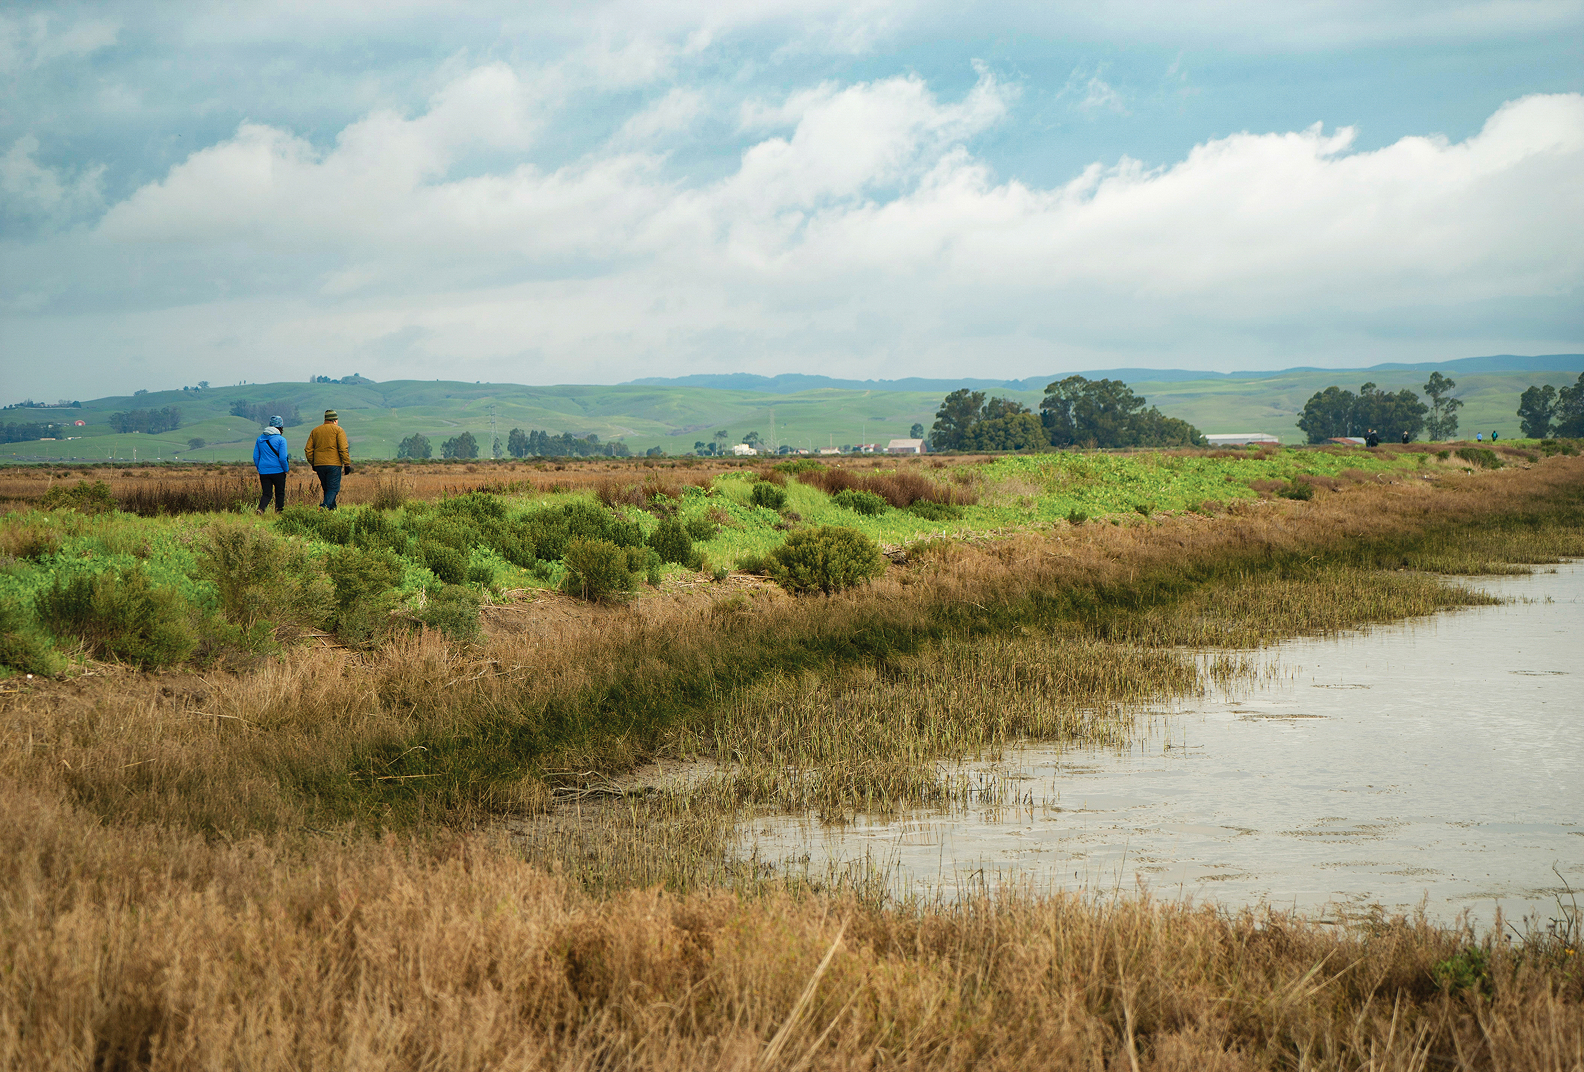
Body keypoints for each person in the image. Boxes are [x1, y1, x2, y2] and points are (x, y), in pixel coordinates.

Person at [305, 408, 353, 509]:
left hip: (319, 465)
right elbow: (343, 448)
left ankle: (332, 512)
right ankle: (324, 507)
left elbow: (308, 449)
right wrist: (347, 464)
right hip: (334, 465)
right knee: (333, 489)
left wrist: (313, 462)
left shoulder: (315, 431)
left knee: (327, 489)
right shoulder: (338, 430)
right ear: (335, 420)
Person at [253, 416, 290, 513]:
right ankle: (278, 512)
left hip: (263, 471)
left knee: (266, 493)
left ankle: (260, 509)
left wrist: (260, 468)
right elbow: (282, 458)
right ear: (280, 427)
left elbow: (256, 457)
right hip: (278, 471)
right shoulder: (281, 440)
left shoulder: (260, 439)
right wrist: (286, 469)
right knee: (279, 493)